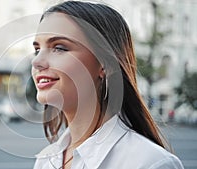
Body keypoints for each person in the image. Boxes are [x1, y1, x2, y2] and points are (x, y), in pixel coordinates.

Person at [31, 1, 184, 169]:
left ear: (105, 64)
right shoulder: (46, 161)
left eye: (59, 48)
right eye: (37, 50)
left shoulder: (150, 163)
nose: (37, 61)